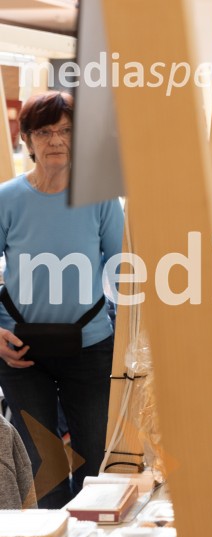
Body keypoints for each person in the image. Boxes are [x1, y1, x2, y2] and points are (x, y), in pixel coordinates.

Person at [0, 91, 124, 508]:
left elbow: (125, 269)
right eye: (45, 131)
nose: (56, 140)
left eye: (67, 130)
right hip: (19, 351)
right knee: (44, 469)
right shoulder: (7, 199)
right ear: (28, 139)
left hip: (90, 347)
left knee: (95, 465)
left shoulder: (100, 197)